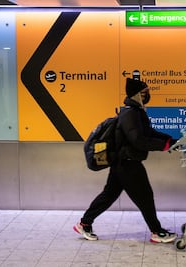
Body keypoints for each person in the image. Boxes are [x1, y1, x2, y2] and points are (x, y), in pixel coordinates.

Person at [74, 78, 177, 243]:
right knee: (145, 197)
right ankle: (156, 232)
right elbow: (138, 140)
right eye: (144, 92)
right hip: (128, 163)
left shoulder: (135, 112)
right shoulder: (130, 113)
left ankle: (84, 223)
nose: (147, 95)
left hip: (122, 163)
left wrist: (170, 140)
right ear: (136, 94)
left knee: (109, 195)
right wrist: (163, 145)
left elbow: (148, 132)